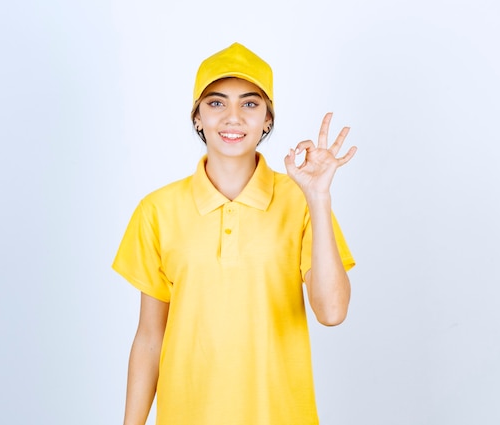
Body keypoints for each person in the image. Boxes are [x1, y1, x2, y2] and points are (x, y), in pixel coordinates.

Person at [113, 42, 357, 425]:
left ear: (267, 120)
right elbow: (148, 339)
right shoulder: (157, 210)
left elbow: (332, 311)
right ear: (197, 118)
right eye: (215, 103)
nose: (232, 118)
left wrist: (319, 197)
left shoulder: (301, 202)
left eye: (249, 104)